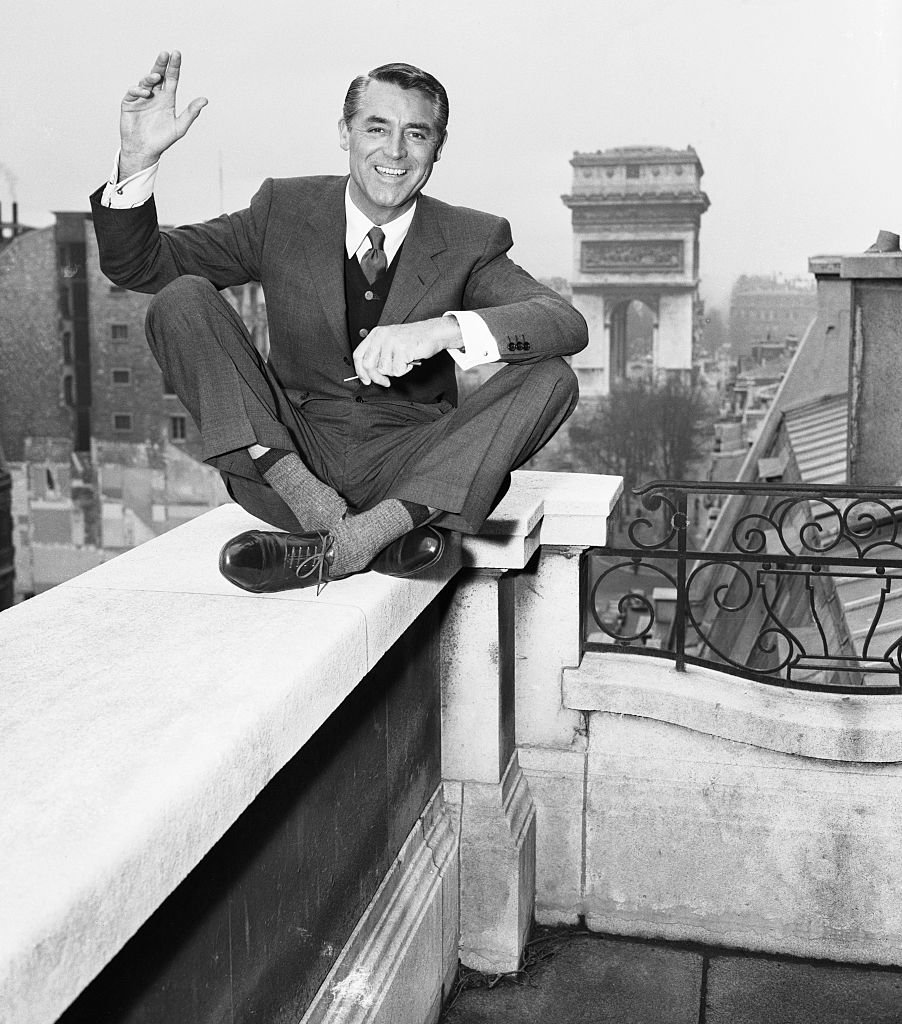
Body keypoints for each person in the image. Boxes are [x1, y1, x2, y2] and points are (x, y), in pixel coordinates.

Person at [91, 51, 587, 593]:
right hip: (287, 455)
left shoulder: (471, 237)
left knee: (552, 377)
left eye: (416, 134)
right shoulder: (284, 209)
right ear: (345, 132)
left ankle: (349, 543)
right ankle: (364, 537)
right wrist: (137, 159)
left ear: (437, 148)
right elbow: (141, 266)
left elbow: (562, 321)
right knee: (179, 299)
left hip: (413, 469)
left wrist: (439, 330)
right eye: (376, 127)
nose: (394, 151)